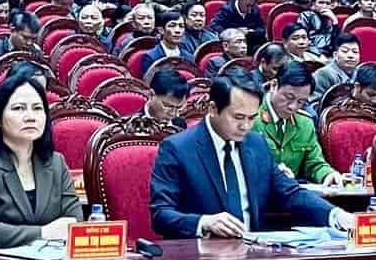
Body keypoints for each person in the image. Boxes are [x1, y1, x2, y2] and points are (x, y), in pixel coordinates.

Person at [150, 72, 351, 238]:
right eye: (238, 117)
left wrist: (335, 214)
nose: (245, 126)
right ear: (213, 108)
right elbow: (161, 214)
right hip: (202, 258)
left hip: (254, 253)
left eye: (251, 118)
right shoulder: (178, 148)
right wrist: (204, 222)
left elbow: (290, 192)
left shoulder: (256, 144)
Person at [0, 68, 82, 250]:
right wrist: (44, 233)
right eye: (19, 108)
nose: (30, 117)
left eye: (37, 108)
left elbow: (74, 221)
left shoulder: (56, 163)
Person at [254, 63, 341, 186]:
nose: (292, 107)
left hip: (291, 195)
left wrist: (327, 174)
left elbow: (314, 162)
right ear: (274, 85)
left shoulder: (304, 123)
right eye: (289, 97)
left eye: (301, 102)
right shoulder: (251, 115)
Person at [0, 10, 42, 86]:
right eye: (25, 37)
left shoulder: (35, 51)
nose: (29, 43)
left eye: (33, 39)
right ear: (12, 29)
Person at [140, 9, 192, 75]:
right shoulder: (150, 57)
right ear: (161, 30)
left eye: (181, 26)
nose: (177, 30)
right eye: (172, 26)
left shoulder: (188, 57)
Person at [145, 67, 191, 132]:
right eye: (168, 106)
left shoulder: (180, 124)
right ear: (151, 95)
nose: (174, 114)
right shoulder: (133, 123)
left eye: (179, 108)